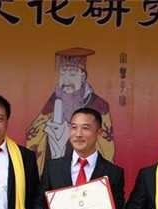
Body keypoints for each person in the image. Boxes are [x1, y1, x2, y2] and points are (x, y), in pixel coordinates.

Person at [26, 47, 115, 175]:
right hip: (57, 170)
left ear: (83, 77)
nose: (66, 80)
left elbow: (106, 146)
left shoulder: (99, 104)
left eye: (72, 75)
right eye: (63, 74)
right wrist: (49, 133)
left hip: (88, 172)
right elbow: (34, 133)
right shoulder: (54, 100)